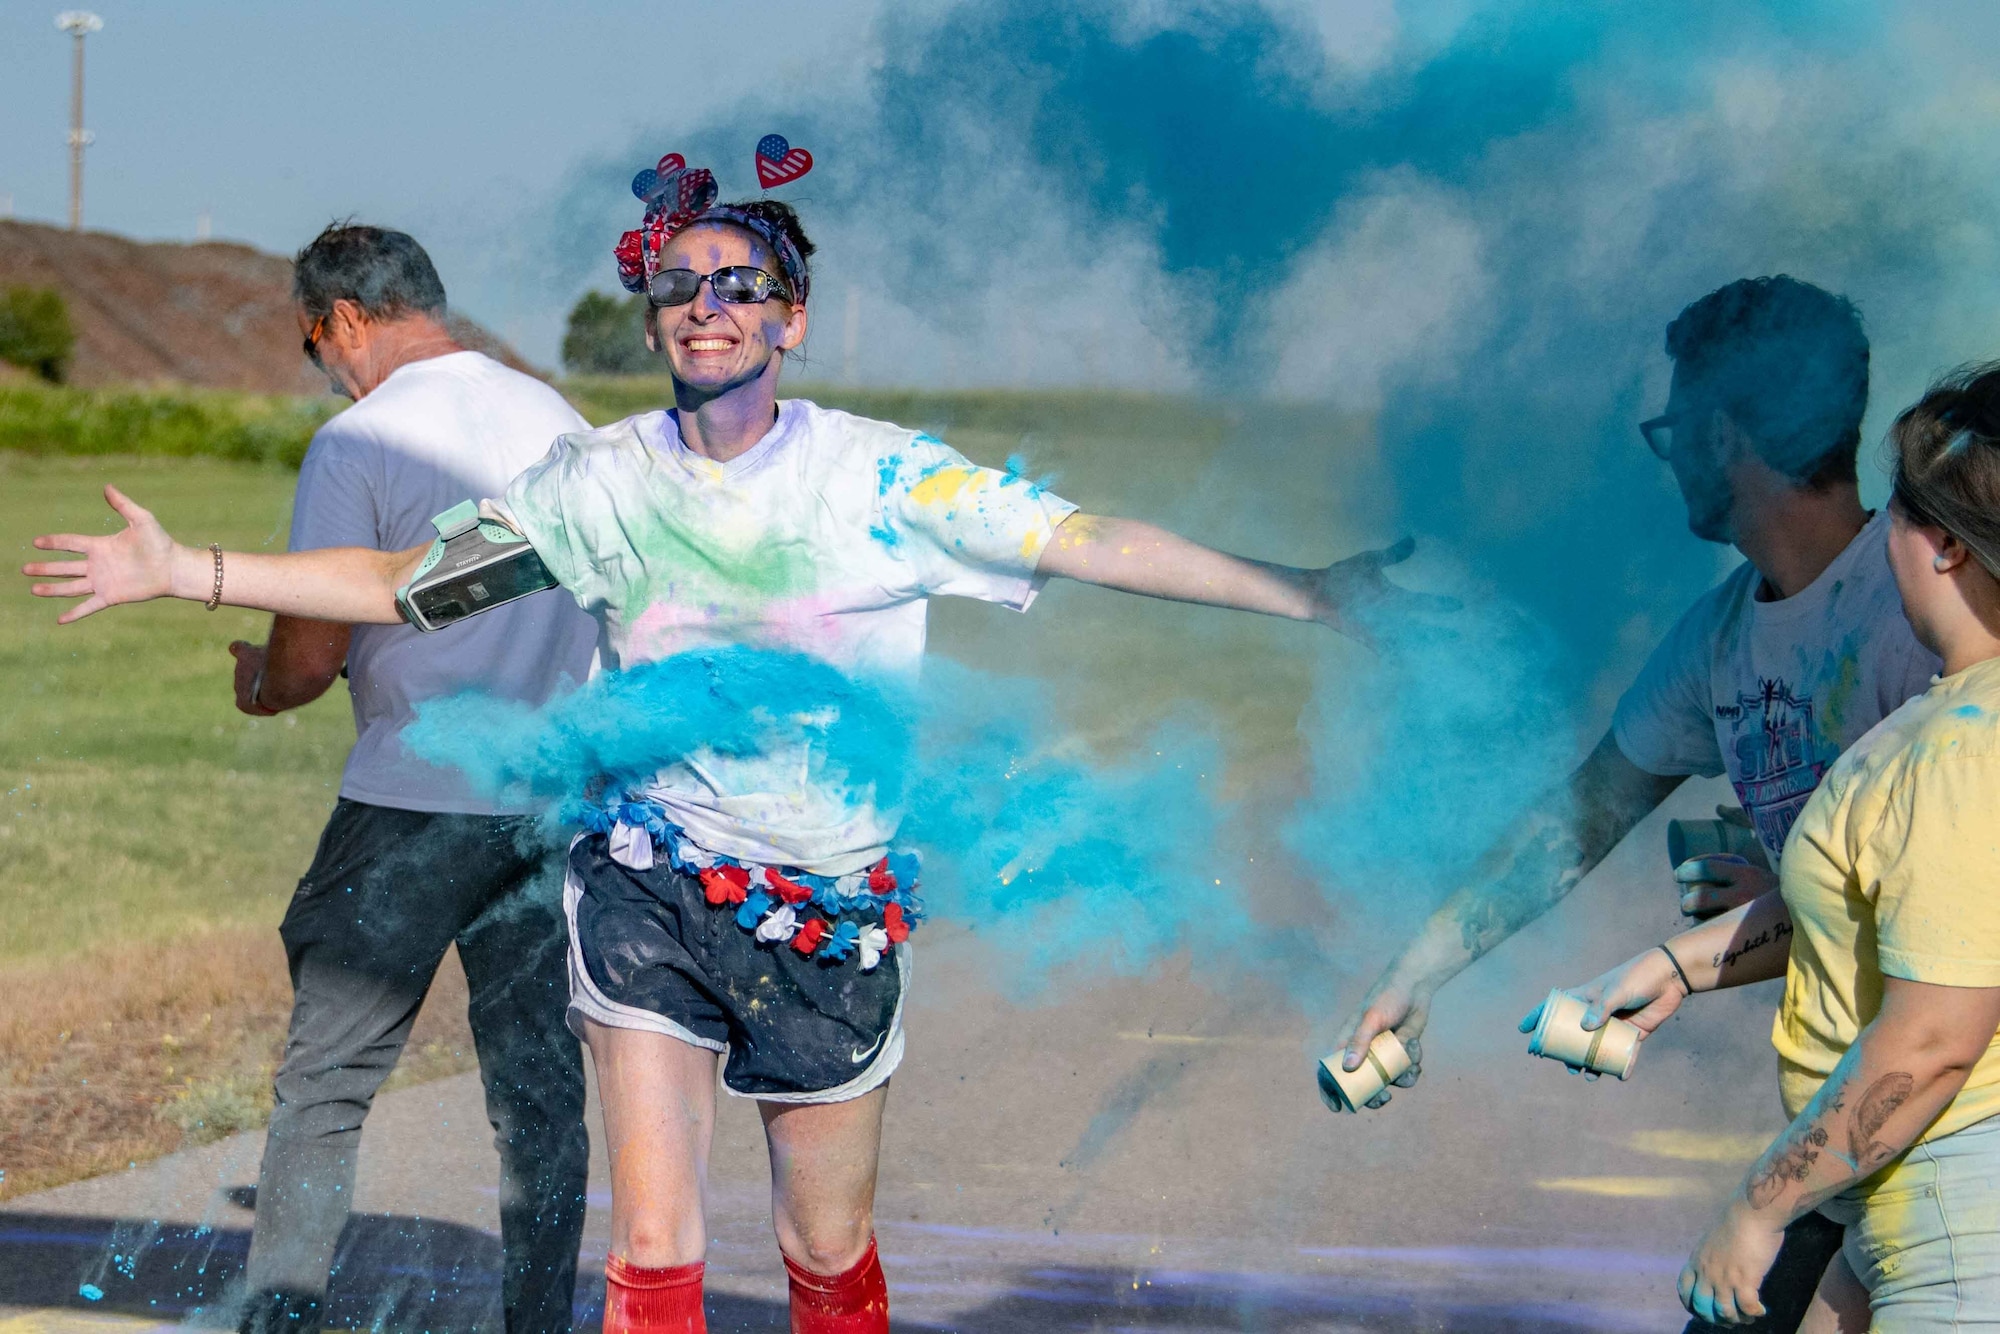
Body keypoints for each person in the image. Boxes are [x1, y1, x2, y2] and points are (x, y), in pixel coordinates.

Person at [22, 159, 1442, 1334]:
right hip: (646, 883)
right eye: (680, 286)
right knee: (652, 1238)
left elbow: (1089, 540)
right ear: (654, 321)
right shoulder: (601, 484)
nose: (707, 308)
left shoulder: (880, 478)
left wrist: (1308, 590)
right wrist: (189, 569)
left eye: (740, 286)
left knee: (826, 1252)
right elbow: (403, 584)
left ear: (792, 319)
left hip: (823, 906)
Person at [1332, 276, 1940, 1332]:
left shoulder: (1920, 616)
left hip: (1944, 1113)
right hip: (1847, 1119)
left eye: (1670, 431)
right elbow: (1583, 813)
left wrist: (1719, 940)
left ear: (1721, 435)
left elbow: (1935, 897)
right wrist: (1419, 963)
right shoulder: (1719, 637)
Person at [1540, 361, 2000, 1330]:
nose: (1881, 539)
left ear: (1947, 547)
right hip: (1898, 1202)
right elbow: (1892, 920)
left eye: (1903, 515)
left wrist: (1756, 1207)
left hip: (1955, 1215)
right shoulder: (1950, 725)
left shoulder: (1964, 750)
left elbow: (1928, 1041)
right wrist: (1677, 960)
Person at [226, 224, 599, 1333]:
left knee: (327, 1084)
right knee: (537, 1097)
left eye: (314, 345)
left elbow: (315, 645)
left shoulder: (359, 438)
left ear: (341, 319)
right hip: (547, 797)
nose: (324, 368)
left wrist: (261, 685)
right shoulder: (562, 422)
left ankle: (282, 1315)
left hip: (410, 799)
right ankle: (537, 1319)